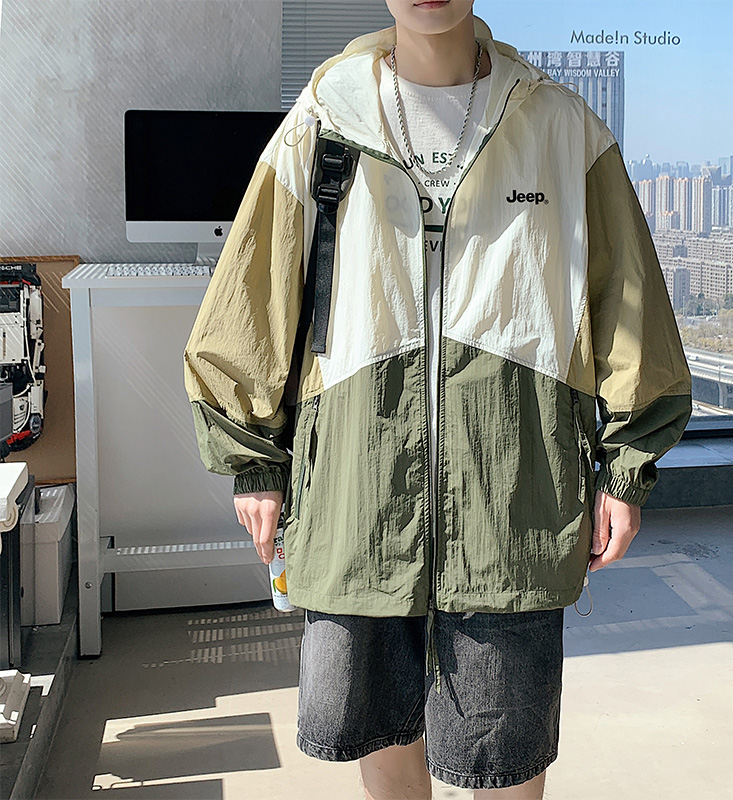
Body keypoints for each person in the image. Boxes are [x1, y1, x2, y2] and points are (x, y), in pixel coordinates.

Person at [182, 1, 693, 797]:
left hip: (514, 492)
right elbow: (253, 293)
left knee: (505, 752)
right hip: (354, 488)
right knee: (381, 729)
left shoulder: (562, 128)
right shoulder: (324, 117)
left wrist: (625, 466)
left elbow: (630, 305)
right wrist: (254, 459)